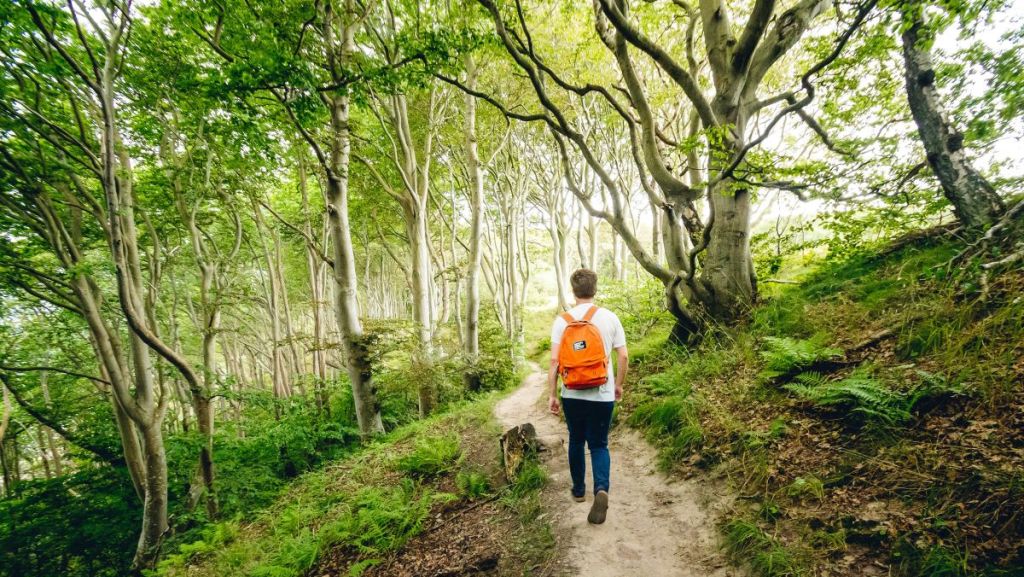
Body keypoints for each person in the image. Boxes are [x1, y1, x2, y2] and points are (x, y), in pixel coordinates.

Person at [547, 268, 628, 525]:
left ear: (573, 290)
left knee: (576, 441)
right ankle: (601, 488)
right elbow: (623, 356)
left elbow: (553, 361)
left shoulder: (562, 321)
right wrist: (619, 385)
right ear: (595, 288)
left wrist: (552, 394)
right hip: (602, 392)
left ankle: (579, 490)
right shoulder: (609, 317)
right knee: (599, 444)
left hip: (572, 393)